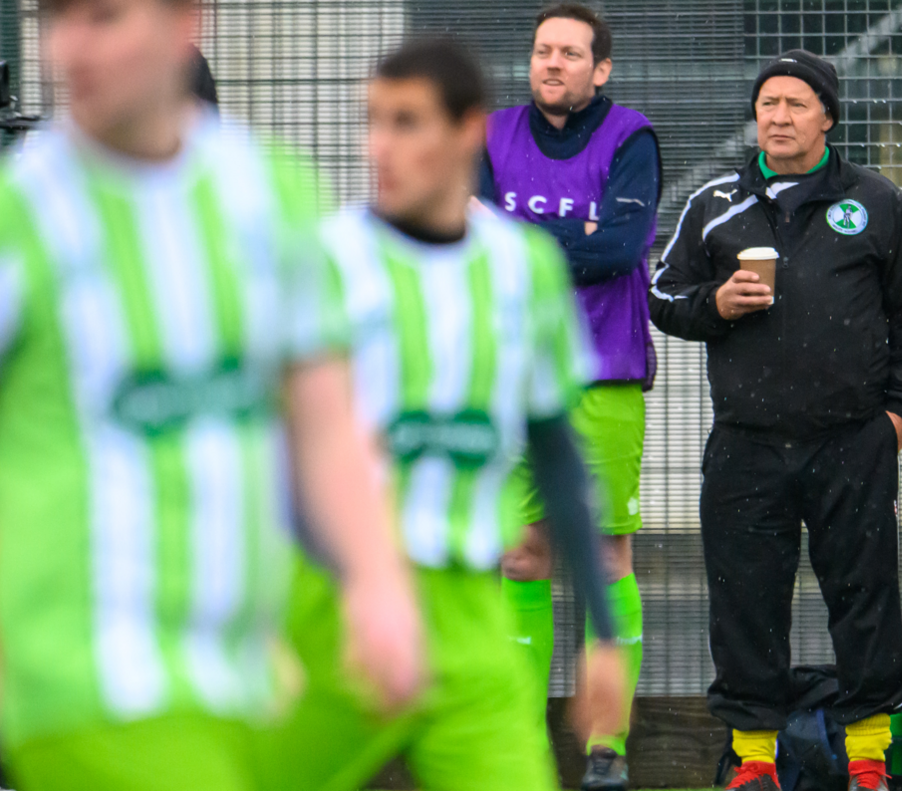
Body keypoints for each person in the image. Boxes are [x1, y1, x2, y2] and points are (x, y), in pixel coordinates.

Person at [0, 0, 425, 789]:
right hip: (85, 678)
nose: (71, 46)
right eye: (59, 18)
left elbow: (326, 425)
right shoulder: (19, 216)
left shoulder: (270, 194)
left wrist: (377, 581)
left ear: (185, 20)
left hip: (237, 678)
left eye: (103, 17)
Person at [253, 38, 626, 791]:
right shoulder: (326, 260)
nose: (380, 146)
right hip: (332, 601)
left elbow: (558, 451)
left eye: (407, 123)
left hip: (465, 612)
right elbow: (263, 446)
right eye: (373, 122)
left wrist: (608, 639)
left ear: (467, 132)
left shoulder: (525, 267)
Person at [649, 49, 902, 791]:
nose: (777, 116)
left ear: (829, 117)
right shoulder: (715, 202)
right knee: (746, 601)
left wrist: (898, 417)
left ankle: (871, 756)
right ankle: (753, 760)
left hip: (854, 441)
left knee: (865, 598)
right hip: (746, 445)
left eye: (795, 104)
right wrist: (715, 304)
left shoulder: (875, 200)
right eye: (767, 103)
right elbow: (660, 294)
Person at [479, 5, 660, 789]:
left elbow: (622, 244)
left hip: (603, 373)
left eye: (570, 53)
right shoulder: (489, 136)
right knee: (520, 553)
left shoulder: (632, 138)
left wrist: (521, 247)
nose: (552, 63)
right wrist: (572, 242)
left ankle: (605, 747)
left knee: (605, 557)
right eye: (542, 51)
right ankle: (518, 746)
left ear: (601, 69)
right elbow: (468, 237)